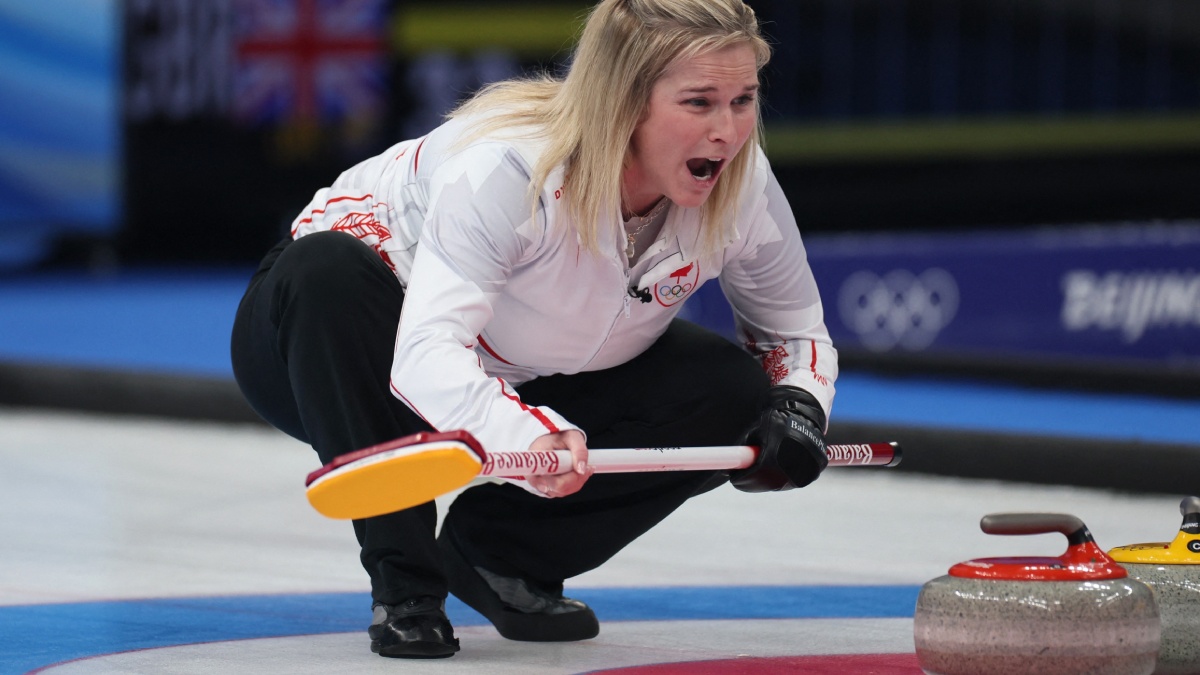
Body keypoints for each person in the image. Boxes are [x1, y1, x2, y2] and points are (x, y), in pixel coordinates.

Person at [230, 0, 837, 660]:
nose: (729, 131)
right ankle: (405, 589)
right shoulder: (509, 169)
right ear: (625, 103)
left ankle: (496, 555)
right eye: (699, 103)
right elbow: (425, 354)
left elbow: (794, 332)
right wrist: (532, 437)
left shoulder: (742, 184)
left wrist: (800, 403)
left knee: (732, 390)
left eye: (743, 99)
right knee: (327, 275)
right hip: (334, 346)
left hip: (521, 364)